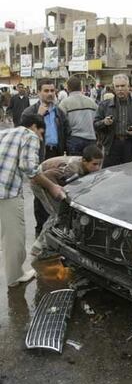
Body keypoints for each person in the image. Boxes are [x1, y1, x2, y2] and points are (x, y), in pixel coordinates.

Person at [0, 114, 65, 288]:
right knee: (15, 238)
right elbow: (29, 168)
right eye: (42, 133)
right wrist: (52, 186)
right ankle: (15, 276)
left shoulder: (5, 133)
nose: (41, 137)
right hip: (7, 193)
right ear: (35, 127)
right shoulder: (30, 136)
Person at [30, 144, 103, 257]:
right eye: (94, 164)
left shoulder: (85, 167)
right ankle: (39, 247)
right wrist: (55, 189)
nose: (97, 168)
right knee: (56, 214)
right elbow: (46, 176)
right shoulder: (71, 169)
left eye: (99, 164)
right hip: (41, 181)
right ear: (84, 161)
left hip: (57, 180)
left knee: (63, 212)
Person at [22, 79, 70, 237]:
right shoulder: (30, 112)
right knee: (40, 194)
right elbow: (22, 134)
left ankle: (55, 230)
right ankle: (40, 231)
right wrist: (39, 116)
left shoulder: (59, 111)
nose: (50, 94)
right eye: (46, 91)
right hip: (39, 156)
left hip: (55, 154)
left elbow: (67, 133)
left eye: (52, 90)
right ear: (39, 92)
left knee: (56, 191)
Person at [94, 74, 132, 168]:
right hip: (112, 145)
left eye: (123, 86)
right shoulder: (104, 105)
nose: (120, 89)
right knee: (110, 175)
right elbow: (95, 124)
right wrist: (104, 122)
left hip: (131, 145)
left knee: (130, 175)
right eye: (117, 86)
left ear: (128, 87)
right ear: (114, 88)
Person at [59, 76, 97, 155]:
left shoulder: (64, 103)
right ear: (81, 87)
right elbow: (97, 120)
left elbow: (61, 124)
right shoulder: (92, 102)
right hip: (91, 139)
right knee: (89, 166)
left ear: (68, 88)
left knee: (75, 166)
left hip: (74, 140)